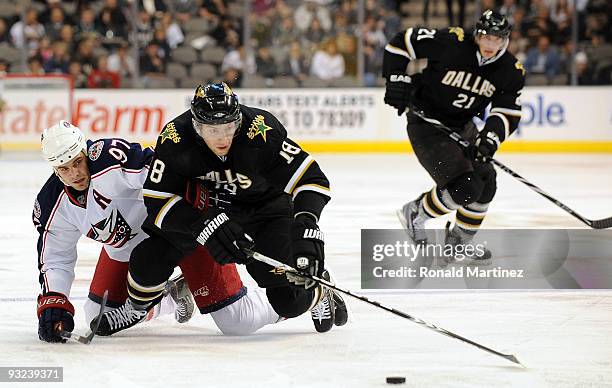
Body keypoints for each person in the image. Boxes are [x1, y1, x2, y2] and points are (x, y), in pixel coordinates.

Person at [96, 82, 348, 335]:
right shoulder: (175, 138)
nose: (223, 137)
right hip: (204, 212)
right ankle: (138, 308)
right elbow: (157, 198)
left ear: (237, 120)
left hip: (264, 212)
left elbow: (311, 178)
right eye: (212, 130)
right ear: (196, 126)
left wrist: (305, 221)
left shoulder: (261, 130)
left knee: (288, 301)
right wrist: (203, 225)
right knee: (148, 257)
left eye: (229, 127)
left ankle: (319, 290)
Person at [33, 121, 278, 342]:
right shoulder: (51, 206)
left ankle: (295, 297)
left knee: (237, 320)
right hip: (131, 253)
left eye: (77, 161)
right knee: (98, 314)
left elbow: (160, 169)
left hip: (180, 233)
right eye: (64, 168)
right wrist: (55, 299)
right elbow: (56, 259)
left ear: (86, 151)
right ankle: (172, 295)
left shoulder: (108, 160)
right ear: (54, 169)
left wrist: (203, 208)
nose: (75, 173)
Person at [382, 10, 525, 263]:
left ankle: (458, 243)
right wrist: (396, 78)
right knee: (466, 187)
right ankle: (416, 213)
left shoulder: (510, 70)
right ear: (478, 34)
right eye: (486, 37)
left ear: (506, 40)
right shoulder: (452, 42)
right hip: (426, 123)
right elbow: (401, 43)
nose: (491, 45)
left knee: (486, 181)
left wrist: (489, 139)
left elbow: (507, 111)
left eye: (498, 39)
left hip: (462, 125)